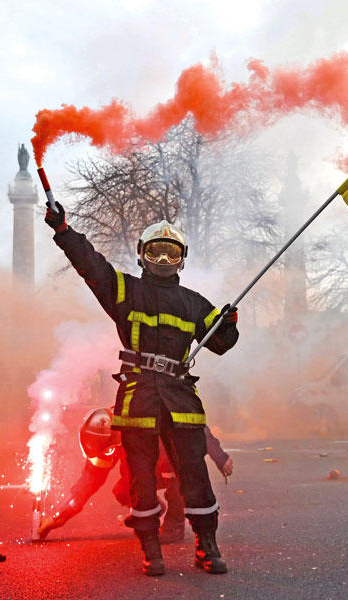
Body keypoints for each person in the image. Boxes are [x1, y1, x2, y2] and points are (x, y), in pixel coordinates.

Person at [45, 206, 239, 576]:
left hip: (180, 396)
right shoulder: (124, 290)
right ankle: (151, 549)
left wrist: (228, 323)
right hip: (138, 393)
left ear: (182, 261)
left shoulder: (196, 303)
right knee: (140, 476)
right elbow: (92, 266)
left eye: (172, 252)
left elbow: (221, 344)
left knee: (194, 474)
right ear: (141, 254)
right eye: (155, 251)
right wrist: (65, 231)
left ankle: (207, 546)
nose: (164, 258)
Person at [37, 407, 233, 544]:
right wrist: (59, 516)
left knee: (173, 466)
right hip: (146, 467)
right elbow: (89, 482)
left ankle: (175, 526)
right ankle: (153, 509)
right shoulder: (107, 433)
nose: (105, 457)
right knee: (123, 490)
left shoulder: (144, 416)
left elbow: (197, 429)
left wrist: (220, 457)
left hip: (170, 458)